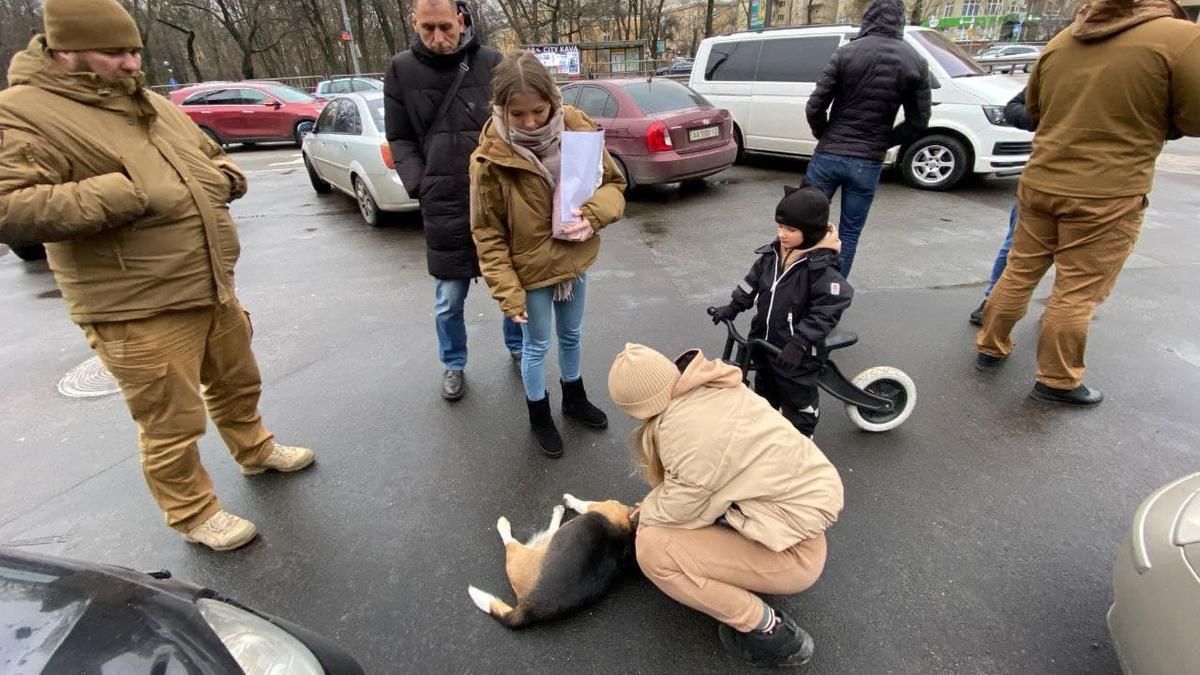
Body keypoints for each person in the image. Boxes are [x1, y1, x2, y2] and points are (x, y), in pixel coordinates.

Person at [0, 0, 314, 552]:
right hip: (135, 303)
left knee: (238, 379)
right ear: (66, 50)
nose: (129, 63)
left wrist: (224, 177)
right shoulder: (23, 112)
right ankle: (193, 511)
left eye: (133, 51)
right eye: (114, 52)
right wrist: (117, 193)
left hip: (208, 279)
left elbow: (208, 154)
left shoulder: (147, 102)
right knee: (170, 417)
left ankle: (254, 448)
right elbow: (10, 207)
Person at [975, 0, 1200, 407]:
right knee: (1076, 291)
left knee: (1019, 269)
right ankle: (1057, 380)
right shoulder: (1180, 39)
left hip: (1042, 178)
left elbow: (1034, 109)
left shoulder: (1062, 40)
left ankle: (990, 345)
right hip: (1108, 190)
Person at [607, 343, 844, 668]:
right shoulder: (710, 389)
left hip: (796, 555)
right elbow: (692, 487)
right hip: (789, 521)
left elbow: (682, 505)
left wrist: (643, 512)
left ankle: (768, 630)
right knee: (666, 511)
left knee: (652, 548)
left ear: (636, 408)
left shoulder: (685, 434)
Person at [470, 51, 626, 457]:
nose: (529, 122)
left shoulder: (575, 125)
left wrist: (593, 216)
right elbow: (486, 231)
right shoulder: (489, 156)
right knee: (536, 345)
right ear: (500, 108)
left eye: (538, 111)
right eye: (516, 114)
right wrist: (506, 290)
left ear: (552, 101)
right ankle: (539, 415)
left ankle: (574, 398)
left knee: (572, 334)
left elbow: (613, 183)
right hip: (529, 271)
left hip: (573, 260)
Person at [383, 0, 523, 402]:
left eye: (445, 27)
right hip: (442, 199)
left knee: (510, 284)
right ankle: (453, 364)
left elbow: (514, 124)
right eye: (427, 29)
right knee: (449, 300)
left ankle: (517, 349)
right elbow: (400, 137)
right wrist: (419, 183)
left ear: (461, 20)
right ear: (414, 23)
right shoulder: (401, 69)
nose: (438, 38)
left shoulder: (493, 62)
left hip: (497, 196)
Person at [709, 186, 853, 437]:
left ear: (810, 232)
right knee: (766, 389)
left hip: (796, 350)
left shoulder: (820, 269)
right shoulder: (772, 255)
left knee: (797, 395)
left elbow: (828, 309)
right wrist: (733, 306)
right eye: (780, 227)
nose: (782, 234)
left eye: (790, 230)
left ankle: (802, 436)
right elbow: (751, 282)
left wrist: (800, 341)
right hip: (765, 342)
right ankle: (769, 429)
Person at [804, 0, 931, 277]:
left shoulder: (846, 53)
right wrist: (885, 140)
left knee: (805, 224)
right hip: (868, 162)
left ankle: (796, 289)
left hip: (828, 155)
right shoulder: (915, 61)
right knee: (849, 233)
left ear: (869, 18)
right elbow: (919, 121)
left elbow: (815, 106)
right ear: (901, 21)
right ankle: (831, 296)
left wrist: (824, 134)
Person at [969, 90, 1038, 326]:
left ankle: (992, 314)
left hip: (1044, 179)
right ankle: (992, 302)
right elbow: (1014, 108)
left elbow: (1014, 109)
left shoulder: (1056, 59)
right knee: (1017, 247)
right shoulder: (1058, 61)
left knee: (1017, 247)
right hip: (1103, 189)